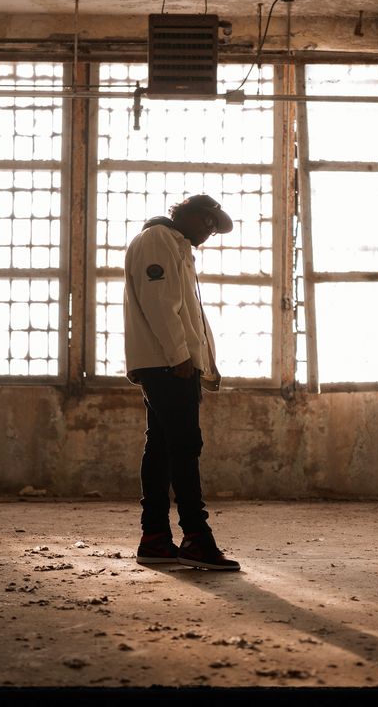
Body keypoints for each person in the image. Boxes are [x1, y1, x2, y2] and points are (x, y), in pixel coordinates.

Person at [123, 194, 240, 571]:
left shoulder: (176, 245)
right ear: (184, 213)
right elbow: (161, 304)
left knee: (160, 448)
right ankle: (196, 538)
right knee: (185, 446)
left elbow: (181, 310)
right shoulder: (158, 238)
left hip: (170, 363)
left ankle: (154, 538)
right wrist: (180, 359)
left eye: (214, 226)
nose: (210, 230)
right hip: (168, 364)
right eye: (207, 221)